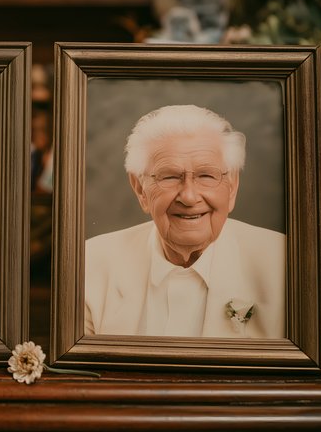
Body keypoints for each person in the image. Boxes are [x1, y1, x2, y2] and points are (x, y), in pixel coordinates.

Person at [85, 104, 285, 338]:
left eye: (206, 176)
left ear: (232, 186)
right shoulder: (90, 264)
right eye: (169, 177)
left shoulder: (284, 264)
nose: (189, 197)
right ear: (140, 189)